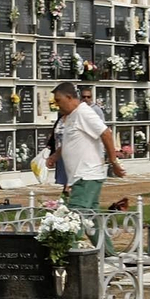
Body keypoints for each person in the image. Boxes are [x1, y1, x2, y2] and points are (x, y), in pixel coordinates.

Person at [48, 82, 124, 216]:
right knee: (91, 222)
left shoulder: (84, 112)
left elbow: (106, 133)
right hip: (81, 177)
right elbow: (70, 140)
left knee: (74, 219)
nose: (57, 105)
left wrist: (114, 162)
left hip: (86, 176)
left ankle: (67, 237)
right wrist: (55, 156)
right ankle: (101, 238)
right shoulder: (71, 115)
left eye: (59, 101)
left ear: (69, 97)